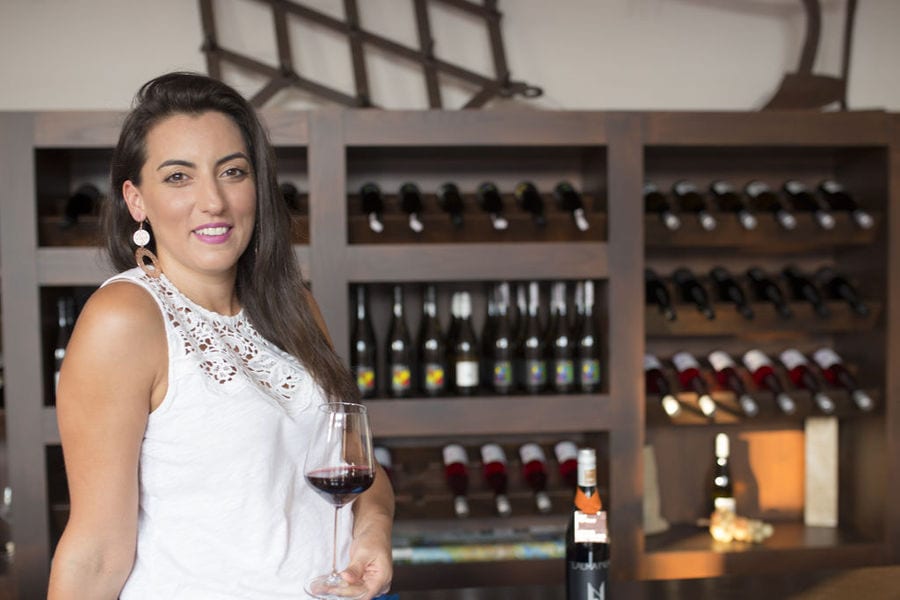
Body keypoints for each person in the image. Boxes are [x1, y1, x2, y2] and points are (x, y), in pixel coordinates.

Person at [47, 72, 394, 599]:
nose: (213, 201)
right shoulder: (125, 318)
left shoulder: (293, 306)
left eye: (232, 171)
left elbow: (358, 469)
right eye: (178, 177)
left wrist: (372, 534)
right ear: (136, 200)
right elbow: (95, 551)